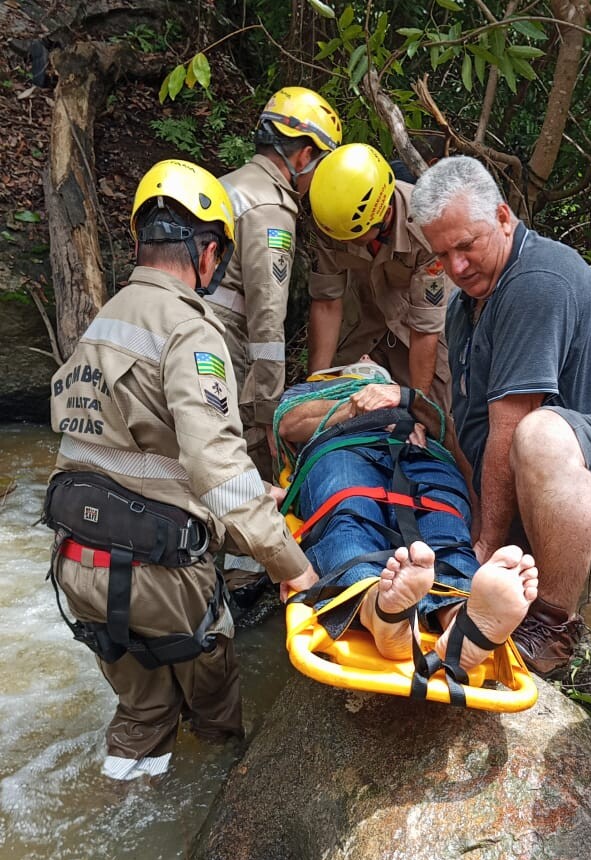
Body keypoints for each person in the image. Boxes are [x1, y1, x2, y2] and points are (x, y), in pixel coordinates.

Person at [43, 159, 317, 781]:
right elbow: (215, 467)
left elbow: (128, 450)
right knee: (217, 722)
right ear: (210, 251)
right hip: (162, 579)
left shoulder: (102, 320)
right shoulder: (191, 332)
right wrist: (292, 567)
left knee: (141, 716)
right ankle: (207, 822)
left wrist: (254, 491)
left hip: (79, 572)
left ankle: (118, 799)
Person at [409, 155, 591, 678]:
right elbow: (470, 431)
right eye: (441, 254)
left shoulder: (535, 279)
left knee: (535, 432)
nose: (455, 267)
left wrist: (483, 548)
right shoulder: (463, 306)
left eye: (466, 245)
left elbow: (508, 430)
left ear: (502, 217)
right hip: (531, 480)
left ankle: (553, 628)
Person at [275, 359, 538, 673]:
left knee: (443, 524)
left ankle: (461, 617)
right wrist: (356, 408)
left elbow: (448, 434)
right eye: (359, 359)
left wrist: (403, 398)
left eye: (371, 361)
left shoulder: (408, 398)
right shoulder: (313, 389)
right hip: (342, 447)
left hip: (421, 451)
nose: (365, 359)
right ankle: (381, 609)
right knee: (350, 512)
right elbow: (287, 425)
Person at [204, 86, 342, 604]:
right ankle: (239, 587)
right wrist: (271, 408)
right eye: (319, 162)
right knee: (244, 470)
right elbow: (267, 321)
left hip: (188, 346)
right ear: (304, 154)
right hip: (224, 355)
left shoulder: (226, 185)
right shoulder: (271, 208)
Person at [306, 143, 454, 416]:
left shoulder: (427, 228)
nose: (342, 243)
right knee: (332, 415)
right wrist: (316, 386)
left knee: (433, 425)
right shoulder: (332, 218)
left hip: (418, 340)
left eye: (352, 237)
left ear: (383, 215)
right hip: (362, 331)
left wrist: (417, 405)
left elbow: (426, 329)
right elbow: (327, 301)